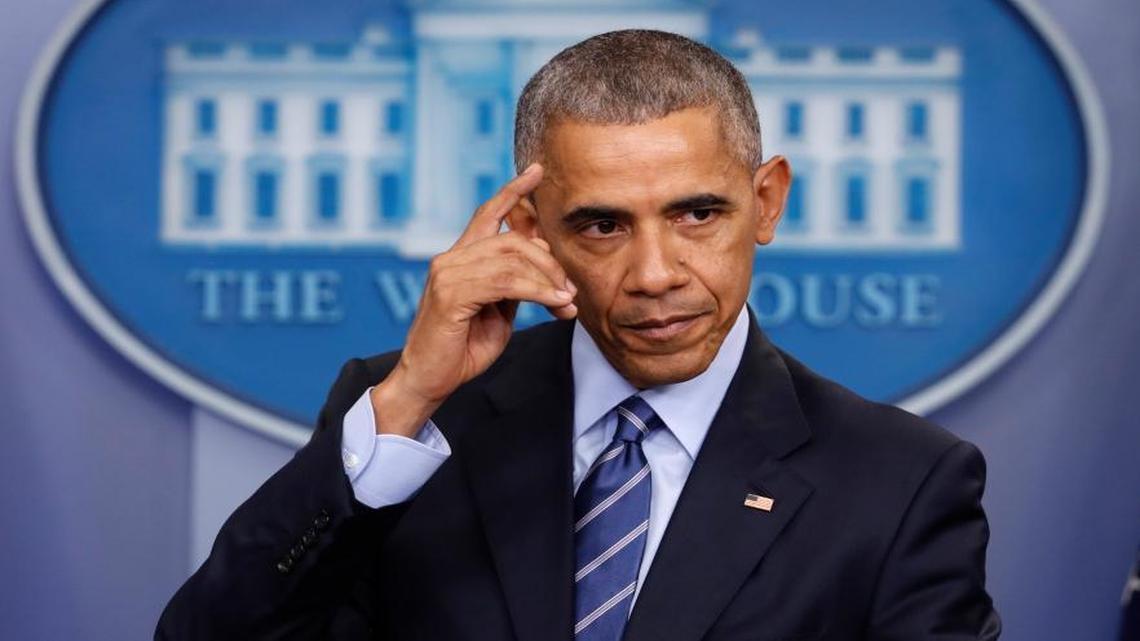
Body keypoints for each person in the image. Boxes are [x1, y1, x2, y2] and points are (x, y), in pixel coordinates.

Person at [156, 29, 1001, 641]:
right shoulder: (412, 419)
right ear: (531, 228)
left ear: (766, 201)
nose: (656, 272)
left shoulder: (902, 480)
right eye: (602, 225)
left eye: (698, 213)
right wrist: (410, 398)